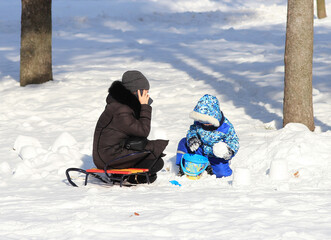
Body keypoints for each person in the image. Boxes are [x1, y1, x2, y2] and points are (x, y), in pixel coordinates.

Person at [92, 70, 168, 184]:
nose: (147, 95)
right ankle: (127, 177)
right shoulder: (121, 110)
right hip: (108, 158)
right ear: (136, 91)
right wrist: (144, 106)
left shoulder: (121, 105)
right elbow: (143, 131)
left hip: (110, 154)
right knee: (156, 159)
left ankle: (126, 175)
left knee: (154, 159)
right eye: (145, 92)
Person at [176, 94, 239, 178]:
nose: (204, 123)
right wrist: (192, 138)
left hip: (215, 155)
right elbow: (193, 130)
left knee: (222, 173)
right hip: (200, 149)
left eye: (207, 121)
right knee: (183, 142)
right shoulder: (199, 122)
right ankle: (182, 165)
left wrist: (229, 151)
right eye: (201, 121)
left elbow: (233, 140)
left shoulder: (226, 127)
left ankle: (210, 167)